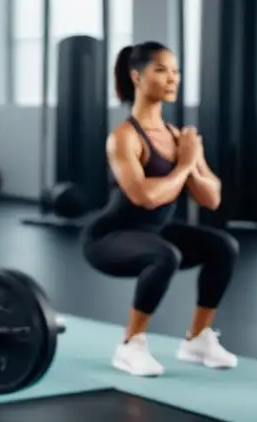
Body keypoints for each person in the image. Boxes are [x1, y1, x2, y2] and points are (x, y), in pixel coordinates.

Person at [81, 42, 239, 378]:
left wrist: (192, 163)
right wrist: (185, 164)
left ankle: (198, 339)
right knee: (165, 255)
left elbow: (212, 198)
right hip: (108, 238)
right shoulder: (124, 137)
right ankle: (130, 344)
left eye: (176, 71)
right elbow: (144, 197)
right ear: (137, 77)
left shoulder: (177, 135)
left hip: (153, 232)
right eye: (161, 70)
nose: (172, 79)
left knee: (223, 246)